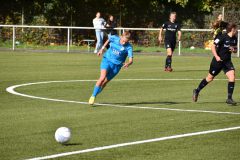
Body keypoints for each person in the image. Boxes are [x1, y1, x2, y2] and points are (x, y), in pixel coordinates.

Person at [193, 23, 238, 105]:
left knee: (232, 76)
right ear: (232, 29)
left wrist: (234, 50)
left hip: (227, 62)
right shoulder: (222, 37)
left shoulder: (235, 38)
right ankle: (197, 90)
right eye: (236, 29)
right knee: (210, 78)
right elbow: (213, 47)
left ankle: (229, 98)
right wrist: (217, 56)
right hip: (217, 61)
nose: (236, 30)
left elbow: (235, 49)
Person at [89, 31, 133, 105]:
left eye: (126, 42)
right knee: (102, 78)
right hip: (107, 60)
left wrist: (128, 63)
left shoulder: (129, 47)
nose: (124, 43)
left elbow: (131, 60)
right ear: (121, 37)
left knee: (105, 82)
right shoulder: (115, 38)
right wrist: (102, 49)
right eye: (123, 41)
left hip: (117, 66)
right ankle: (93, 96)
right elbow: (109, 39)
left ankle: (95, 94)